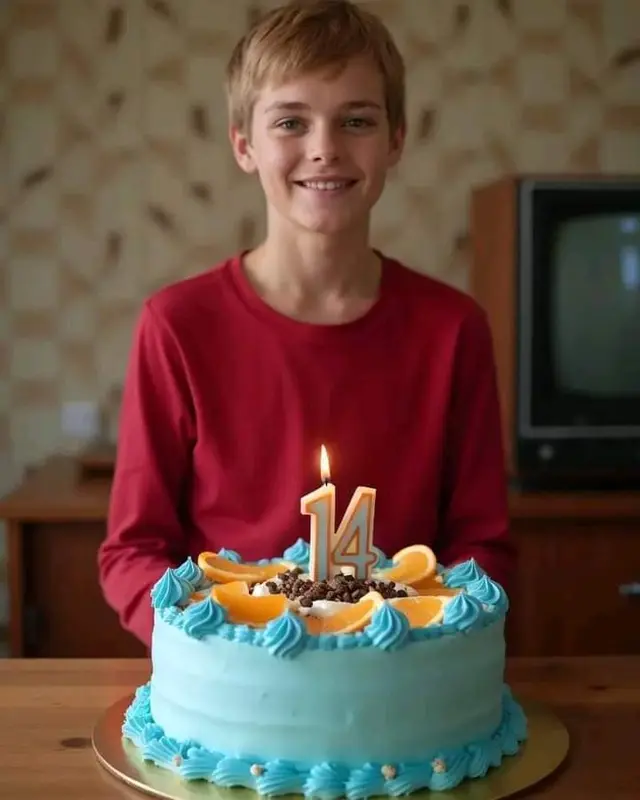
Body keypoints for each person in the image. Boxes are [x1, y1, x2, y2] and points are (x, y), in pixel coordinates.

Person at [98, 0, 515, 647]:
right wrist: (223, 658)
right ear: (244, 144)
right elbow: (134, 550)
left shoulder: (453, 329)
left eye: (357, 121)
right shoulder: (176, 326)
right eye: (291, 121)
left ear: (396, 139)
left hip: (398, 680)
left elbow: (482, 544)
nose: (324, 149)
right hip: (232, 685)